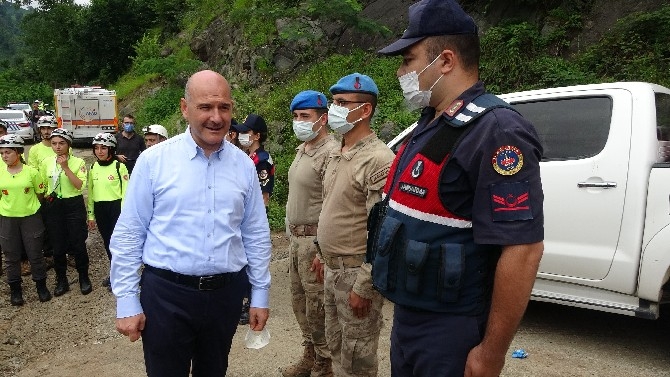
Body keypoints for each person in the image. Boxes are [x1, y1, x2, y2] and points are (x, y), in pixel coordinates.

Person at [374, 1, 545, 375]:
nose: (402, 72)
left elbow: (524, 249)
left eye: (408, 59)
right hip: (411, 317)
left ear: (446, 60)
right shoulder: (431, 123)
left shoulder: (496, 131)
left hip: (451, 328)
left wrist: (491, 352)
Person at [110, 69, 271, 377]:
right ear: (185, 108)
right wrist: (127, 300)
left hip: (225, 296)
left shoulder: (243, 166)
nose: (216, 117)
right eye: (205, 107)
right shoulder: (154, 162)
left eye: (223, 107)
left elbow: (255, 234)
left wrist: (259, 294)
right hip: (166, 296)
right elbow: (130, 233)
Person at [317, 73, 395, 377]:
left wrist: (365, 283)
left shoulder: (378, 159)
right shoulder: (337, 152)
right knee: (337, 349)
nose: (333, 109)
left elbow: (382, 229)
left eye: (341, 103)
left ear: (365, 111)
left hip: (355, 273)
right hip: (332, 267)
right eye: (334, 102)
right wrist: (319, 251)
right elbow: (330, 208)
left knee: (357, 357)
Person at [281, 90, 338, 377]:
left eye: (305, 116)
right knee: (300, 301)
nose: (299, 122)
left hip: (314, 241)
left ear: (323, 119)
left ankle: (324, 364)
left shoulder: (330, 152)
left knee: (318, 307)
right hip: (296, 240)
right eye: (295, 116)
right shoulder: (303, 149)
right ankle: (310, 354)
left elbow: (332, 204)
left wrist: (322, 248)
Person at [0, 134, 51, 305]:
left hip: (30, 217)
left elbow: (40, 193)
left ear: (18, 152)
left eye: (8, 152)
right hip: (8, 219)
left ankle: (41, 287)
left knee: (35, 253)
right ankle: (15, 290)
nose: (4, 156)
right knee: (11, 256)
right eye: (2, 153)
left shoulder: (32, 172)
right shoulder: (0, 172)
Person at [41, 128, 92, 296]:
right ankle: (61, 279)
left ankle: (84, 277)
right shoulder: (47, 162)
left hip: (73, 204)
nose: (57, 147)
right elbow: (43, 184)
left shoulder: (78, 162)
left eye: (61, 143)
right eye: (54, 143)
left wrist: (66, 168)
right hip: (54, 205)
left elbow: (79, 185)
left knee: (78, 243)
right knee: (57, 245)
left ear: (68, 144)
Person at [235, 113, 275, 325]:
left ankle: (250, 302)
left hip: (253, 218)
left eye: (245, 132)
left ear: (257, 135)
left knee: (252, 259)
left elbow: (263, 196)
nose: (241, 136)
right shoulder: (247, 157)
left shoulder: (261, 160)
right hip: (242, 218)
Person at [87, 132, 129, 289]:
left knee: (117, 243)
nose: (100, 151)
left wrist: (125, 214)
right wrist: (90, 215)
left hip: (116, 208)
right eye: (96, 148)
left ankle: (121, 276)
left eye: (103, 148)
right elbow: (91, 192)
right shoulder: (92, 167)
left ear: (111, 149)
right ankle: (114, 272)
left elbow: (126, 192)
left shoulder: (120, 166)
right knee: (107, 242)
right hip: (100, 208)